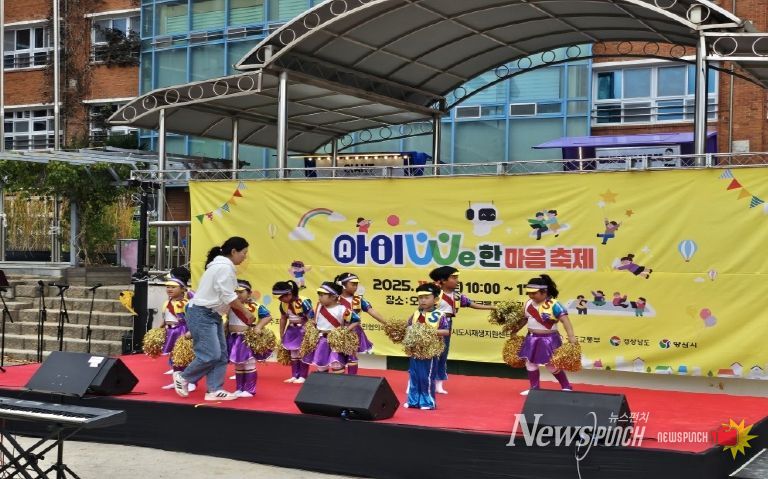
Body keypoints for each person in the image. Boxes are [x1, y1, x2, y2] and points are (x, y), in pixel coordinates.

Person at [173, 237, 254, 401]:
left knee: (221, 355)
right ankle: (183, 377)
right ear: (234, 252)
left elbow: (226, 297)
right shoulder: (224, 267)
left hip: (211, 314)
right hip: (202, 313)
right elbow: (228, 296)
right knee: (210, 354)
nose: (245, 256)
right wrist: (246, 312)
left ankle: (214, 390)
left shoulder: (221, 266)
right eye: (244, 253)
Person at [429, 266, 496, 394]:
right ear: (443, 280)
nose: (457, 281)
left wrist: (492, 307)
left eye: (457, 278)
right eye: (454, 278)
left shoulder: (457, 296)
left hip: (447, 325)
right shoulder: (434, 293)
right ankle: (416, 381)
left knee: (442, 354)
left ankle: (438, 384)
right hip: (431, 324)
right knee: (427, 353)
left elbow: (472, 304)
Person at [518, 274, 578, 396]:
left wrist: (571, 337)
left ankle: (566, 386)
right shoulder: (528, 304)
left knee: (551, 365)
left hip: (549, 339)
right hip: (531, 338)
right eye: (529, 293)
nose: (531, 296)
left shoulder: (555, 304)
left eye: (534, 293)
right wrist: (515, 330)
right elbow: (524, 320)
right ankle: (534, 388)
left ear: (544, 292)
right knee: (530, 363)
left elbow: (565, 321)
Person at [403, 283, 450, 410]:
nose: (423, 300)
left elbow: (446, 331)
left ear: (435, 299)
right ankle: (413, 401)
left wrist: (427, 331)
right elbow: (408, 326)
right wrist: (408, 330)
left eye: (426, 297)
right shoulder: (415, 314)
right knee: (414, 376)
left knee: (426, 377)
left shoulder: (440, 315)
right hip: (415, 350)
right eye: (420, 297)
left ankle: (427, 402)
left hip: (429, 351)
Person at [226, 280, 273, 398]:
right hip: (233, 338)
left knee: (248, 364)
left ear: (249, 293)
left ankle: (250, 390)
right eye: (235, 292)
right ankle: (239, 388)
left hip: (246, 338)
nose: (237, 294)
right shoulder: (230, 305)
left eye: (241, 292)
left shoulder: (255, 306)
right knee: (238, 364)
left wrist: (258, 327)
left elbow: (267, 317)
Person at [303, 281, 360, 374]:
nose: (319, 297)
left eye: (322, 295)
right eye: (319, 295)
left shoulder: (342, 309)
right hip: (322, 340)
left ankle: (338, 382)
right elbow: (313, 320)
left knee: (336, 364)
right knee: (321, 364)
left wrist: (345, 331)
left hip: (336, 342)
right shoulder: (319, 307)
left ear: (333, 297)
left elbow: (356, 320)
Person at [335, 272, 385, 375]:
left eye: (356, 284)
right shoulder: (335, 299)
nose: (355, 287)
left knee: (352, 356)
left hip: (353, 332)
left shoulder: (358, 300)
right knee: (337, 358)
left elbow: (371, 311)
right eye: (352, 284)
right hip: (337, 333)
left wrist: (385, 322)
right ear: (343, 285)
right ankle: (339, 382)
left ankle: (352, 381)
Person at [159, 275, 195, 392]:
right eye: (168, 287)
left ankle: (190, 382)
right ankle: (177, 381)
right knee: (175, 358)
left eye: (173, 287)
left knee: (186, 357)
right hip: (170, 332)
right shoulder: (167, 302)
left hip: (182, 331)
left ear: (183, 289)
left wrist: (191, 331)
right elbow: (165, 318)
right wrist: (160, 328)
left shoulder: (186, 303)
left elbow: (192, 319)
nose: (169, 289)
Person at [273, 279, 314, 383]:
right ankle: (295, 375)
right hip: (291, 330)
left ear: (289, 294)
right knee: (293, 353)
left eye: (281, 297)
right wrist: (281, 333)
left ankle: (303, 376)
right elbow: (283, 318)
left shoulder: (304, 301)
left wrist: (309, 333)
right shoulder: (283, 304)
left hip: (303, 330)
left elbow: (311, 319)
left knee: (302, 352)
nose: (280, 299)